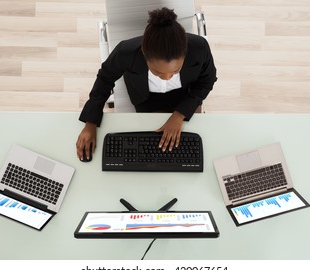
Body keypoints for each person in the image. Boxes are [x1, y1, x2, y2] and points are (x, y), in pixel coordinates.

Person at [76, 7, 217, 161]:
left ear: (185, 53)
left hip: (186, 96)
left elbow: (207, 80)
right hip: (145, 99)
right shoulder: (126, 52)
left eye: (176, 71)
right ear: (144, 53)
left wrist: (180, 114)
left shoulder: (199, 48)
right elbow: (105, 79)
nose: (167, 78)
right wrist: (90, 122)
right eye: (157, 72)